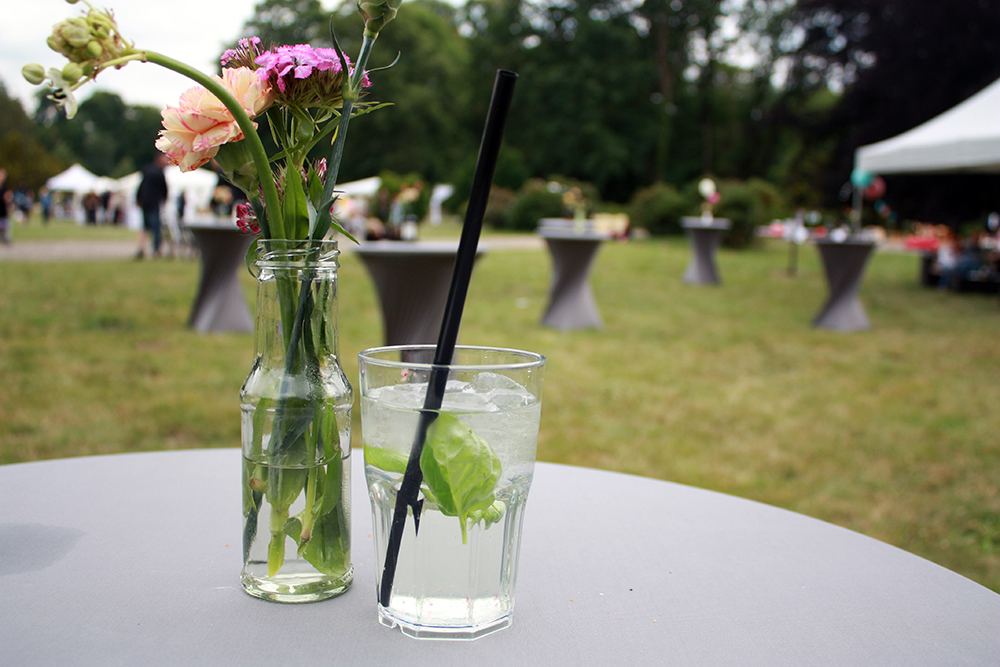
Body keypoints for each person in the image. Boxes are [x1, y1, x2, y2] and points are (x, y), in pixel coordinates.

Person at [135, 154, 169, 258]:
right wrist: (164, 199)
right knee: (155, 227)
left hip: (145, 202)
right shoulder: (159, 173)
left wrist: (138, 198)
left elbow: (141, 186)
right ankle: (156, 249)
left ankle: (141, 248)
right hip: (154, 202)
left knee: (145, 226)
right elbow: (164, 189)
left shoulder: (147, 170)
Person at [0, 169, 11, 244]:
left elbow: (7, 197)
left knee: (4, 225)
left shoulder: (5, 187)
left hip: (2, 209)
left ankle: (4, 238)